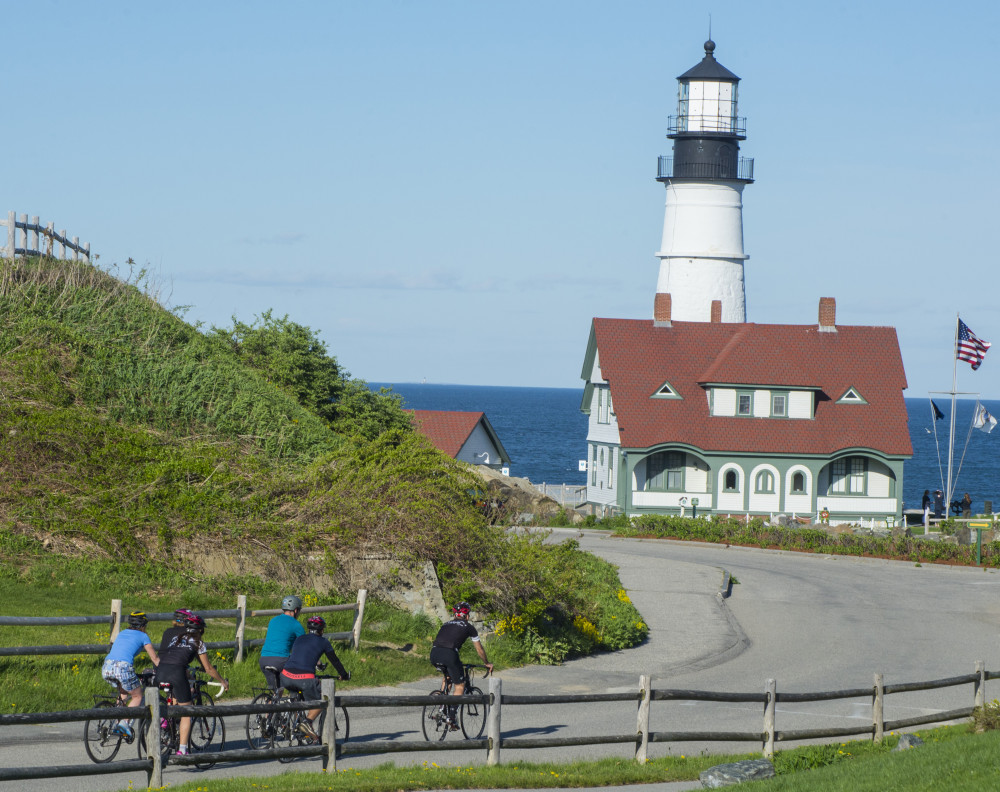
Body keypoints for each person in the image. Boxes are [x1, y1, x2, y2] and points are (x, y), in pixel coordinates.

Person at [157, 613, 229, 756]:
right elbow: (208, 668)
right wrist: (222, 681)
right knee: (187, 711)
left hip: (160, 670)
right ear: (200, 630)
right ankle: (183, 750)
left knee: (175, 698)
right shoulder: (199, 643)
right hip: (176, 672)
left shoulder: (176, 638)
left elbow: (176, 656)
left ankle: (166, 720)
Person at [279, 615, 350, 740]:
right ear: (322, 630)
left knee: (295, 696)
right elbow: (335, 661)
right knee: (325, 699)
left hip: (285, 676)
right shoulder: (324, 642)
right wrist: (343, 675)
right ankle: (307, 722)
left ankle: (297, 725)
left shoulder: (299, 638)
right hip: (304, 679)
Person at [429, 601, 493, 729]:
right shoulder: (469, 627)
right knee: (460, 685)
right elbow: (479, 649)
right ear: (467, 615)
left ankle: (441, 707)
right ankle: (451, 717)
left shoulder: (446, 624)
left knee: (447, 677)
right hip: (449, 653)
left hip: (434, 653)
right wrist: (486, 663)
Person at [101, 611, 159, 740]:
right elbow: (154, 659)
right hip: (123, 668)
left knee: (123, 693)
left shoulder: (122, 633)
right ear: (143, 625)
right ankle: (124, 723)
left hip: (107, 666)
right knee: (137, 696)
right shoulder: (143, 636)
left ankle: (116, 721)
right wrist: (165, 669)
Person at [259, 595, 304, 690]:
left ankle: (271, 702)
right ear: (295, 610)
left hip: (264, 659)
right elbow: (305, 645)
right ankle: (293, 697)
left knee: (275, 690)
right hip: (280, 660)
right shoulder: (296, 624)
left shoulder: (273, 620)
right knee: (296, 679)